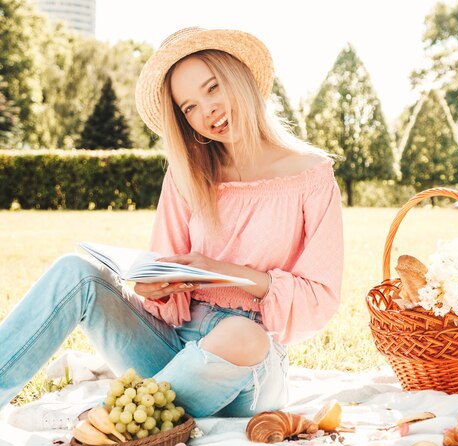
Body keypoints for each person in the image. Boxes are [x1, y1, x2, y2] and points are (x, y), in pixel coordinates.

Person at [0, 27, 343, 423]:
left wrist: (225, 272)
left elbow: (320, 297)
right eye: (189, 107)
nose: (207, 111)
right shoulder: (188, 174)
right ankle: (138, 415)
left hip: (248, 362)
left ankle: (119, 419)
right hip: (172, 350)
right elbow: (164, 281)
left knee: (241, 334)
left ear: (240, 77)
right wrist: (153, 290)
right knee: (73, 271)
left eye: (212, 88)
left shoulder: (311, 177)